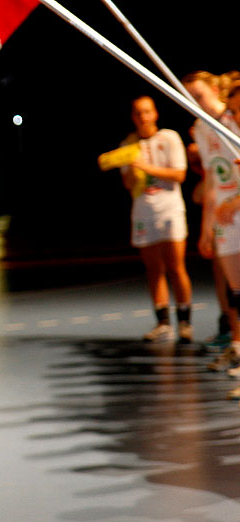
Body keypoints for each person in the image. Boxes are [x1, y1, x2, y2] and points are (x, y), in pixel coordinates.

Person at [119, 96, 192, 343]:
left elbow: (179, 174)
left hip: (169, 209)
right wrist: (131, 168)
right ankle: (162, 322)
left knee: (175, 265)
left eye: (147, 112)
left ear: (155, 114)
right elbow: (128, 185)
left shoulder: (169, 138)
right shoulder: (128, 144)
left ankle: (185, 321)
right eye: (138, 113)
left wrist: (147, 166)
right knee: (154, 269)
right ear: (133, 117)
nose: (143, 117)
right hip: (143, 210)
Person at [182, 70, 240, 372]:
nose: (195, 102)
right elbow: (212, 180)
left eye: (199, 95)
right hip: (224, 215)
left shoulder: (236, 117)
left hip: (238, 206)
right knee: (235, 290)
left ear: (215, 91)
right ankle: (237, 346)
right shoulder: (202, 130)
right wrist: (206, 229)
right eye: (189, 97)